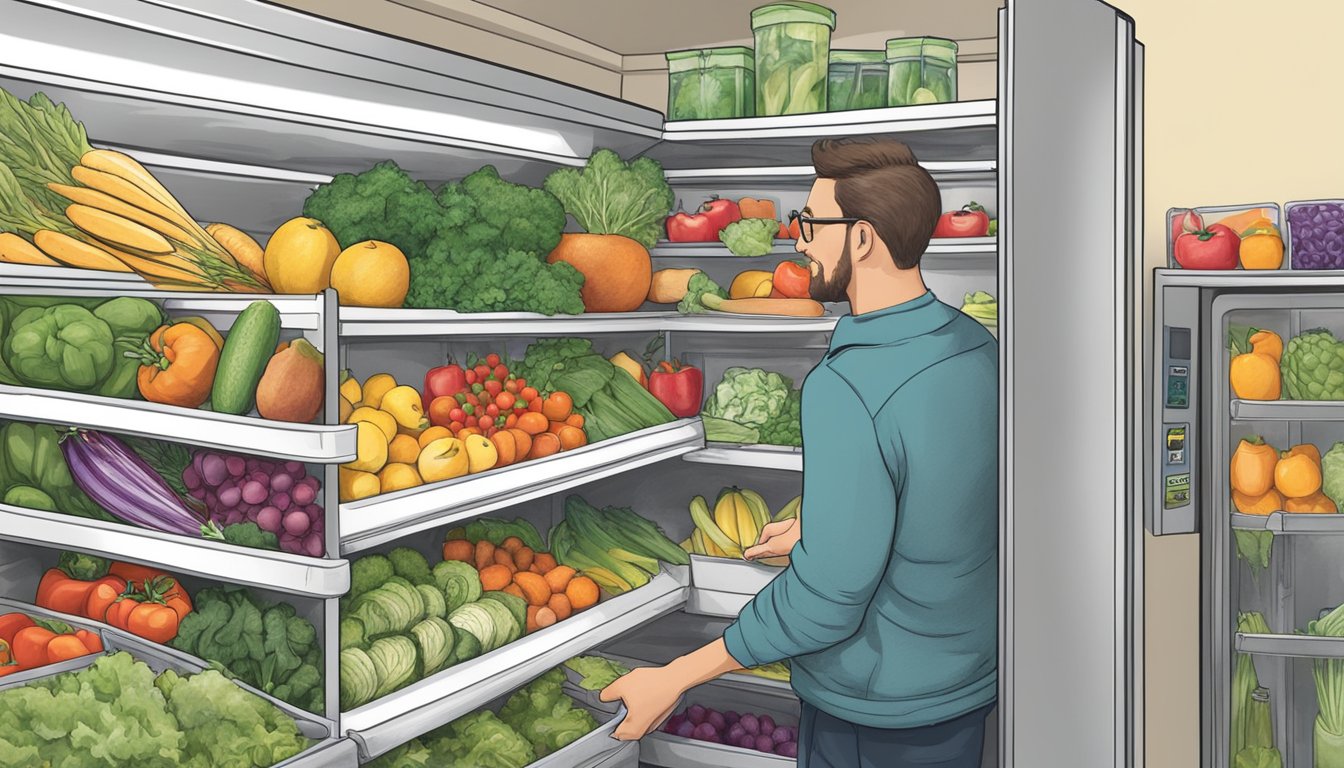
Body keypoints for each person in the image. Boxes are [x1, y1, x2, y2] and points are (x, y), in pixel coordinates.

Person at [599, 135, 998, 768]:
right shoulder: (975, 346)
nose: (800, 241)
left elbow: (825, 600)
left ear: (862, 239)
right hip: (963, 681)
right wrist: (821, 523)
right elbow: (945, 490)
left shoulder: (848, 385)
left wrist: (676, 675)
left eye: (812, 224)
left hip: (872, 704)